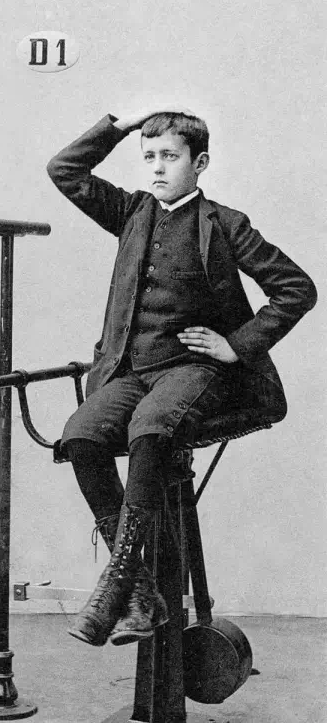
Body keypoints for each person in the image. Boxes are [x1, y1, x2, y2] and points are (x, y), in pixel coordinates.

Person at [46, 108, 317, 648]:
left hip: (195, 370)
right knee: (80, 435)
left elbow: (296, 288)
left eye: (170, 156)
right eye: (149, 157)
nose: (157, 168)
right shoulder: (130, 211)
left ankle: (116, 585)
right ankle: (140, 592)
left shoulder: (226, 224)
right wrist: (120, 125)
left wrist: (236, 345)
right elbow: (64, 169)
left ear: (200, 162)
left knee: (151, 428)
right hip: (131, 371)